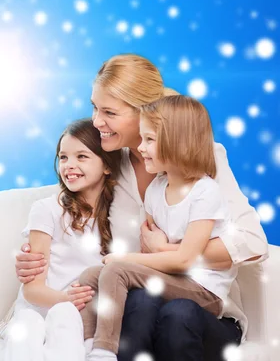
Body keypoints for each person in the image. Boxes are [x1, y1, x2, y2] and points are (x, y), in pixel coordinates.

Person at [14, 54, 268, 361]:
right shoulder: (109, 165)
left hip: (198, 311)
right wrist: (35, 259)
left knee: (177, 313)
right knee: (137, 304)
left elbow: (253, 242)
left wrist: (171, 249)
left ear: (145, 112)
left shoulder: (200, 159)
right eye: (94, 108)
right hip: (138, 305)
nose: (97, 122)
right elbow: (67, 207)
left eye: (109, 112)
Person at [77, 95, 239, 361]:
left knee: (116, 268)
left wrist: (125, 259)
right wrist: (133, 260)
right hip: (171, 282)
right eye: (142, 139)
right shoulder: (156, 189)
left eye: (149, 140)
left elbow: (185, 258)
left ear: (179, 141)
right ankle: (86, 345)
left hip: (203, 291)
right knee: (91, 275)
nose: (140, 148)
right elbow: (150, 256)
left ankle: (104, 351)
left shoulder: (204, 192)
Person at [4, 119, 121, 361]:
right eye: (63, 157)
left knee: (66, 319)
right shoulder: (47, 209)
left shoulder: (119, 215)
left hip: (77, 316)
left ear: (107, 166)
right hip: (39, 308)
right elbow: (33, 289)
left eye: (81, 156)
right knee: (28, 324)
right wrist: (65, 299)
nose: (69, 165)